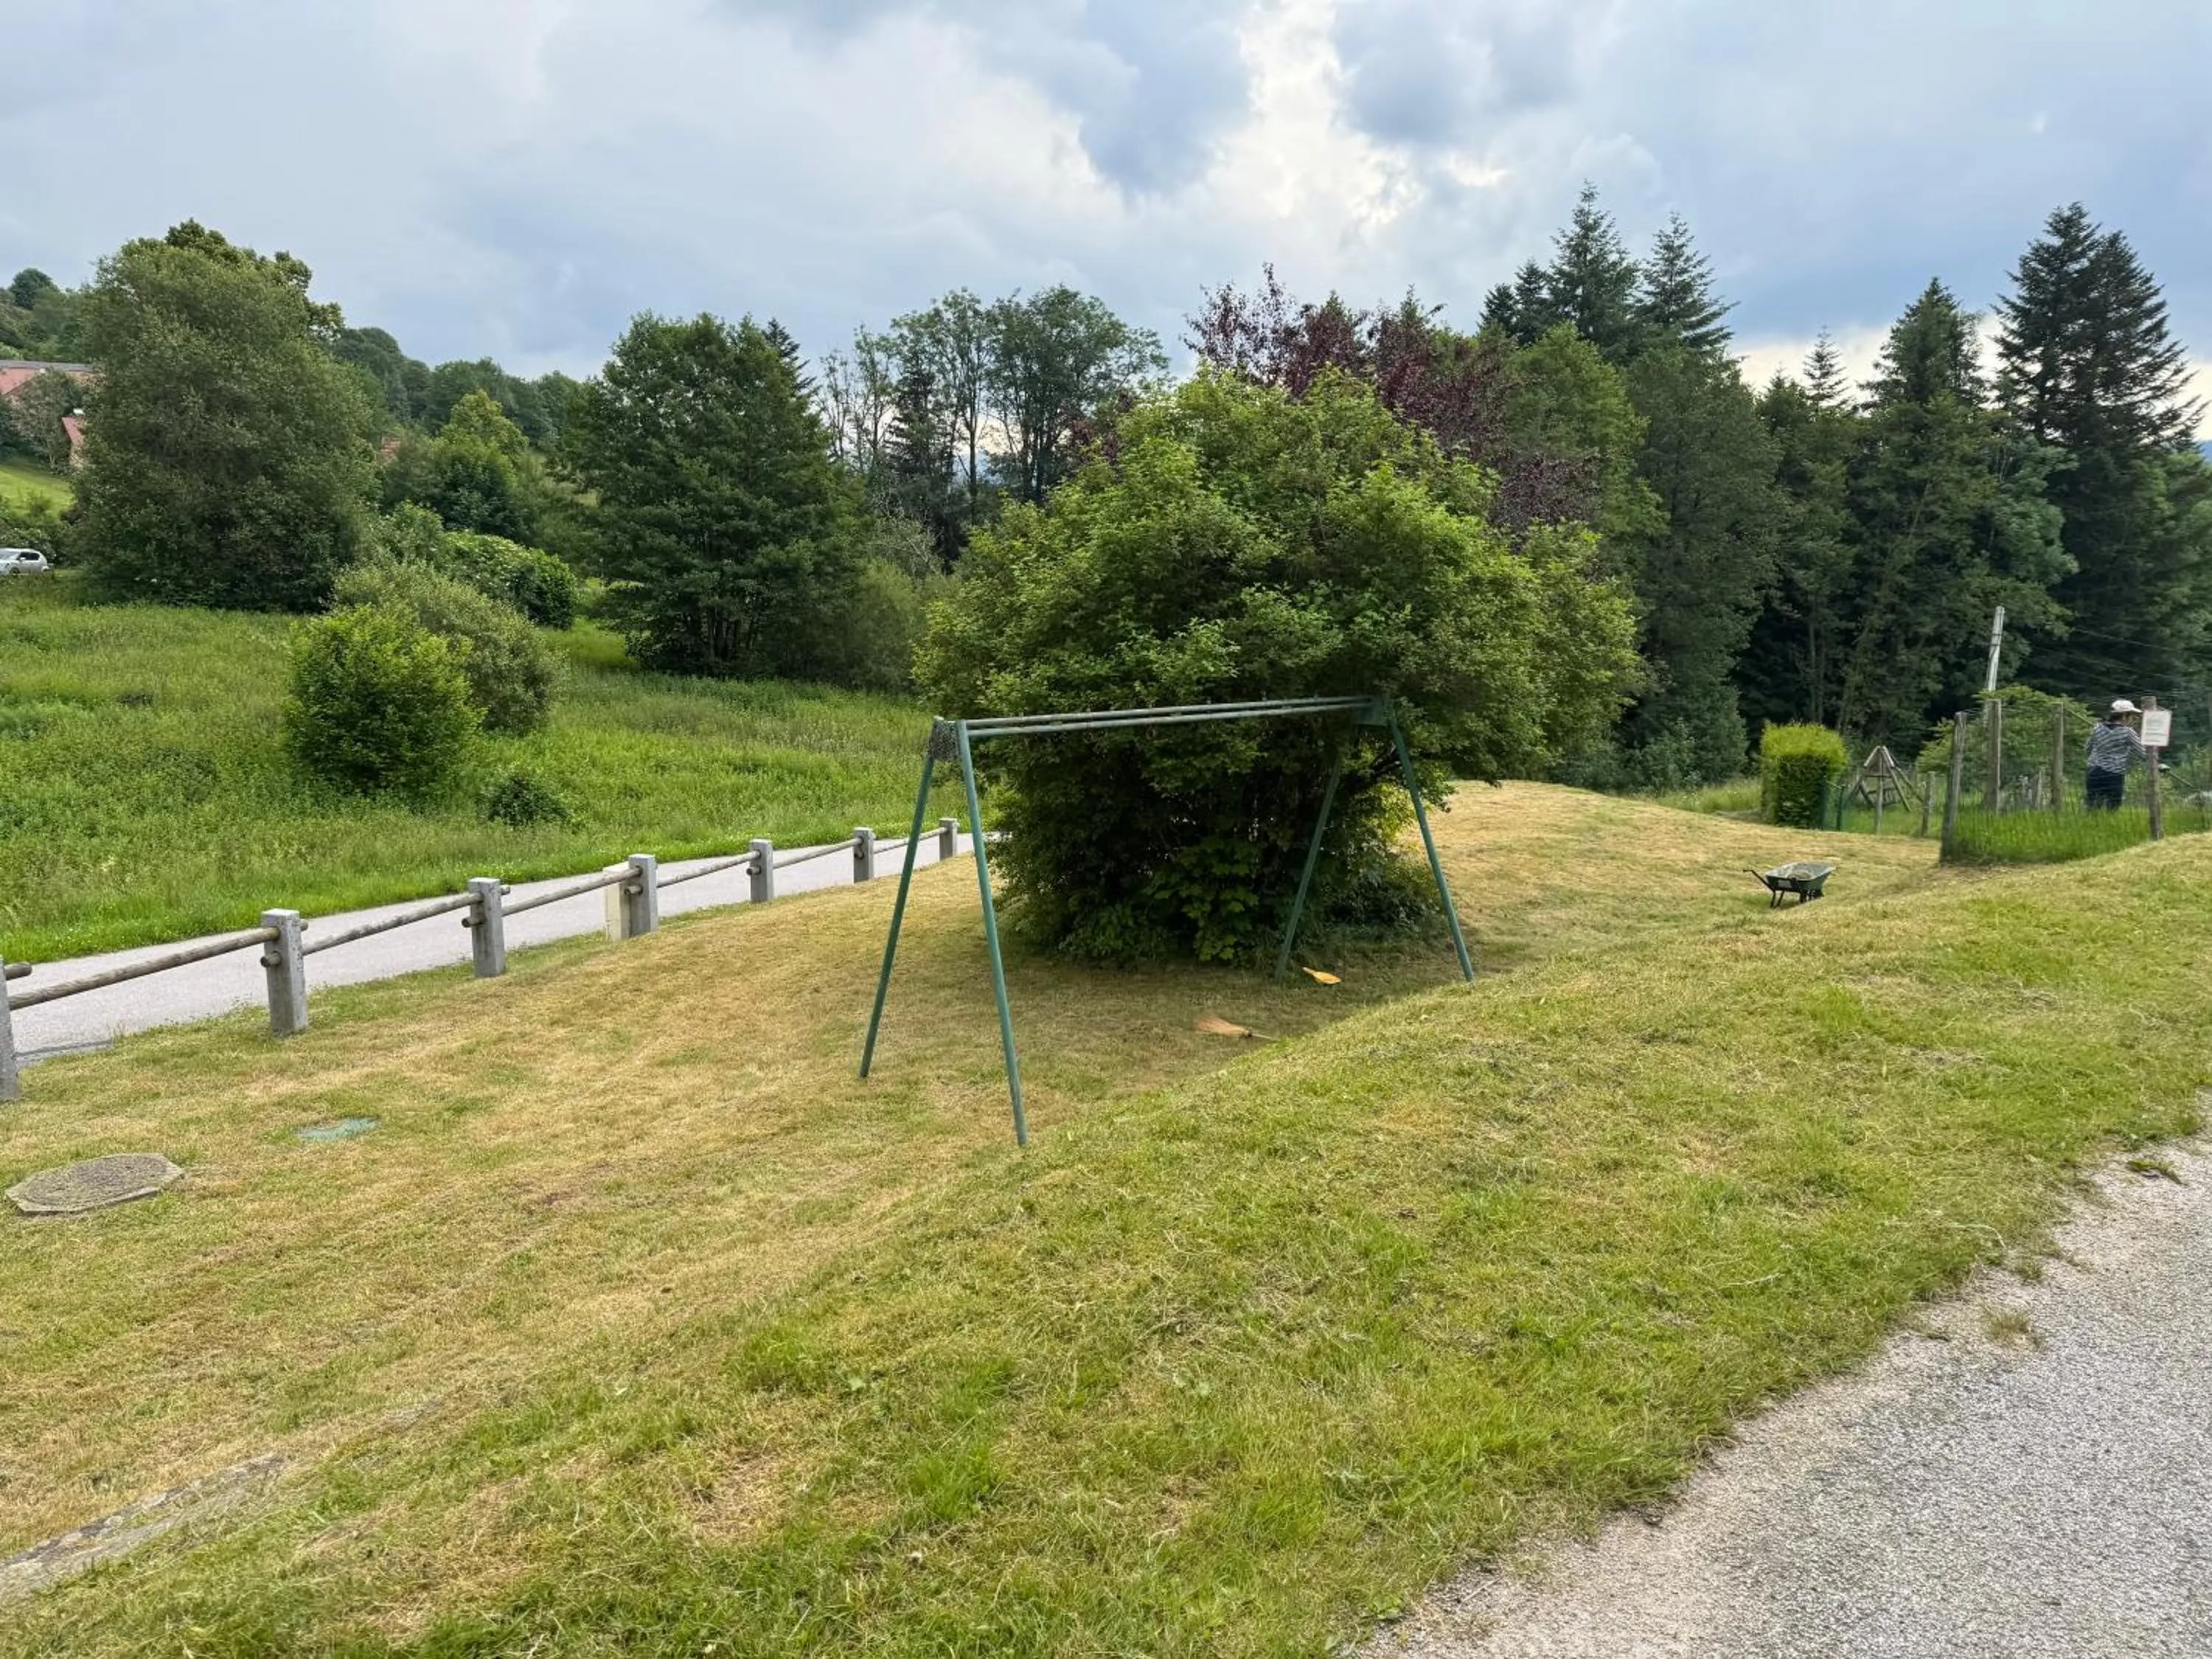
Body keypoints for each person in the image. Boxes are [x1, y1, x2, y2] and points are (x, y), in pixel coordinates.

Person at [2085, 699, 2144, 810]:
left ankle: (2090, 820)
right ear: (2124, 716)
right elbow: (2142, 752)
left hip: (2094, 770)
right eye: (2131, 716)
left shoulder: (2098, 727)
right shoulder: (2128, 732)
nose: (2132, 719)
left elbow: (2088, 748)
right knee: (2113, 807)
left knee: (2092, 804)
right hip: (2114, 773)